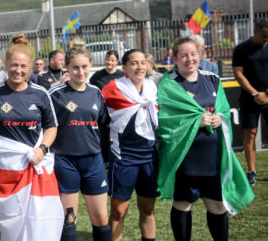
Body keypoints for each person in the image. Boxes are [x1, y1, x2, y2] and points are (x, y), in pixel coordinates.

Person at [157, 37, 254, 241]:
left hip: (213, 158)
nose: (189, 59)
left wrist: (220, 117)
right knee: (183, 205)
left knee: (217, 206)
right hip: (185, 159)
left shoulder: (212, 79)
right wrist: (195, 121)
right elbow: (164, 122)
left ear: (200, 55)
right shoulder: (168, 84)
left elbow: (225, 111)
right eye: (183, 55)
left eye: (193, 54)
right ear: (175, 58)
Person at [0, 33, 63, 240]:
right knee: (11, 221)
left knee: (40, 220)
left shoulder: (41, 93)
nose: (18, 70)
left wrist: (42, 149)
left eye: (23, 66)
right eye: (14, 65)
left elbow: (52, 126)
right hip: (6, 170)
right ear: (7, 65)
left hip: (36, 165)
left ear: (30, 67)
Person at [49, 39, 111, 241]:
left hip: (93, 161)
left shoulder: (96, 94)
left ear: (91, 65)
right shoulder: (55, 94)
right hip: (65, 161)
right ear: (67, 67)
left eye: (84, 67)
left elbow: (104, 124)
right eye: (75, 67)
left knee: (101, 218)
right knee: (68, 219)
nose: (80, 72)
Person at [102, 49, 158, 241]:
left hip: (150, 157)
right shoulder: (112, 87)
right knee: (118, 211)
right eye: (134, 63)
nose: (140, 67)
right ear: (124, 67)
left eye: (143, 62)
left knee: (148, 208)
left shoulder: (152, 87)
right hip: (123, 157)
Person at [232, 18, 268, 186]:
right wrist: (255, 93)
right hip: (249, 98)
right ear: (255, 32)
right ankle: (251, 172)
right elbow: (238, 74)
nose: (266, 39)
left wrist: (266, 94)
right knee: (250, 134)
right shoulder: (241, 49)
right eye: (264, 35)